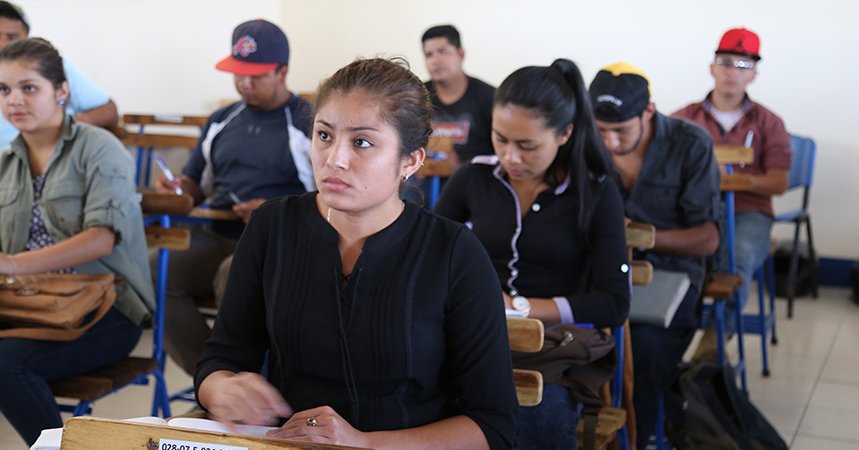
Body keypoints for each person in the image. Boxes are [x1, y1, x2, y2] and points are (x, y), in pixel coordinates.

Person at [195, 57, 517, 450]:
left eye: (362, 142)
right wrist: (221, 389)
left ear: (411, 160)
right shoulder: (272, 227)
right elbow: (221, 359)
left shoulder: (454, 254)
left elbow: (493, 425)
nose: (335, 159)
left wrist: (363, 443)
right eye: (324, 135)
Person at [434, 59, 630, 450]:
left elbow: (613, 304)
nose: (511, 157)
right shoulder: (473, 178)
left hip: (551, 348)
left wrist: (517, 307)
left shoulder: (595, 191)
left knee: (535, 407)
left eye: (527, 146)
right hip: (476, 334)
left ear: (565, 134)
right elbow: (429, 255)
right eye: (500, 138)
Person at [0, 38, 153, 447]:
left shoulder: (100, 148)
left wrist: (12, 263)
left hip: (107, 309)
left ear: (61, 92)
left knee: (4, 364)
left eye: (28, 88)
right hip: (29, 304)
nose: (14, 100)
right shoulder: (6, 162)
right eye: (4, 90)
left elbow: (101, 240)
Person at [154, 18, 314, 376]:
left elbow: (327, 197)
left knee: (235, 274)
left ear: (282, 71)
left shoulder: (308, 122)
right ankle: (213, 381)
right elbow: (196, 183)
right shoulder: (221, 120)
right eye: (238, 74)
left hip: (281, 241)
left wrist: (272, 211)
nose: (244, 83)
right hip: (218, 235)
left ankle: (254, 381)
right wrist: (180, 188)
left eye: (255, 75)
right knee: (155, 272)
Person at [589, 62, 720, 448]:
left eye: (621, 130)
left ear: (648, 111)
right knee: (567, 342)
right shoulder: (586, 144)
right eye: (601, 131)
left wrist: (637, 237)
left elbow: (709, 238)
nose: (610, 143)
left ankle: (635, 438)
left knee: (643, 351)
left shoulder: (690, 143)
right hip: (603, 273)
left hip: (672, 277)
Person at [673, 27, 791, 344]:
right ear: (712, 67)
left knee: (734, 266)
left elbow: (779, 182)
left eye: (743, 65)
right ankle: (668, 356)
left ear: (753, 74)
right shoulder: (683, 120)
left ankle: (708, 359)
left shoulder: (769, 123)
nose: (732, 73)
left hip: (748, 212)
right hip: (694, 213)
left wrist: (735, 181)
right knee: (677, 265)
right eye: (726, 62)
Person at [0, 1, 119, 150]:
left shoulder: (51, 67)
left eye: (12, 38)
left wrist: (65, 130)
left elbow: (108, 110)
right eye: (4, 89)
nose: (3, 44)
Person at [422, 24, 495, 168]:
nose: (435, 60)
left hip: (474, 179)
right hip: (424, 178)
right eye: (429, 55)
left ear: (460, 54)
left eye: (442, 51)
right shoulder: (416, 96)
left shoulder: (489, 97)